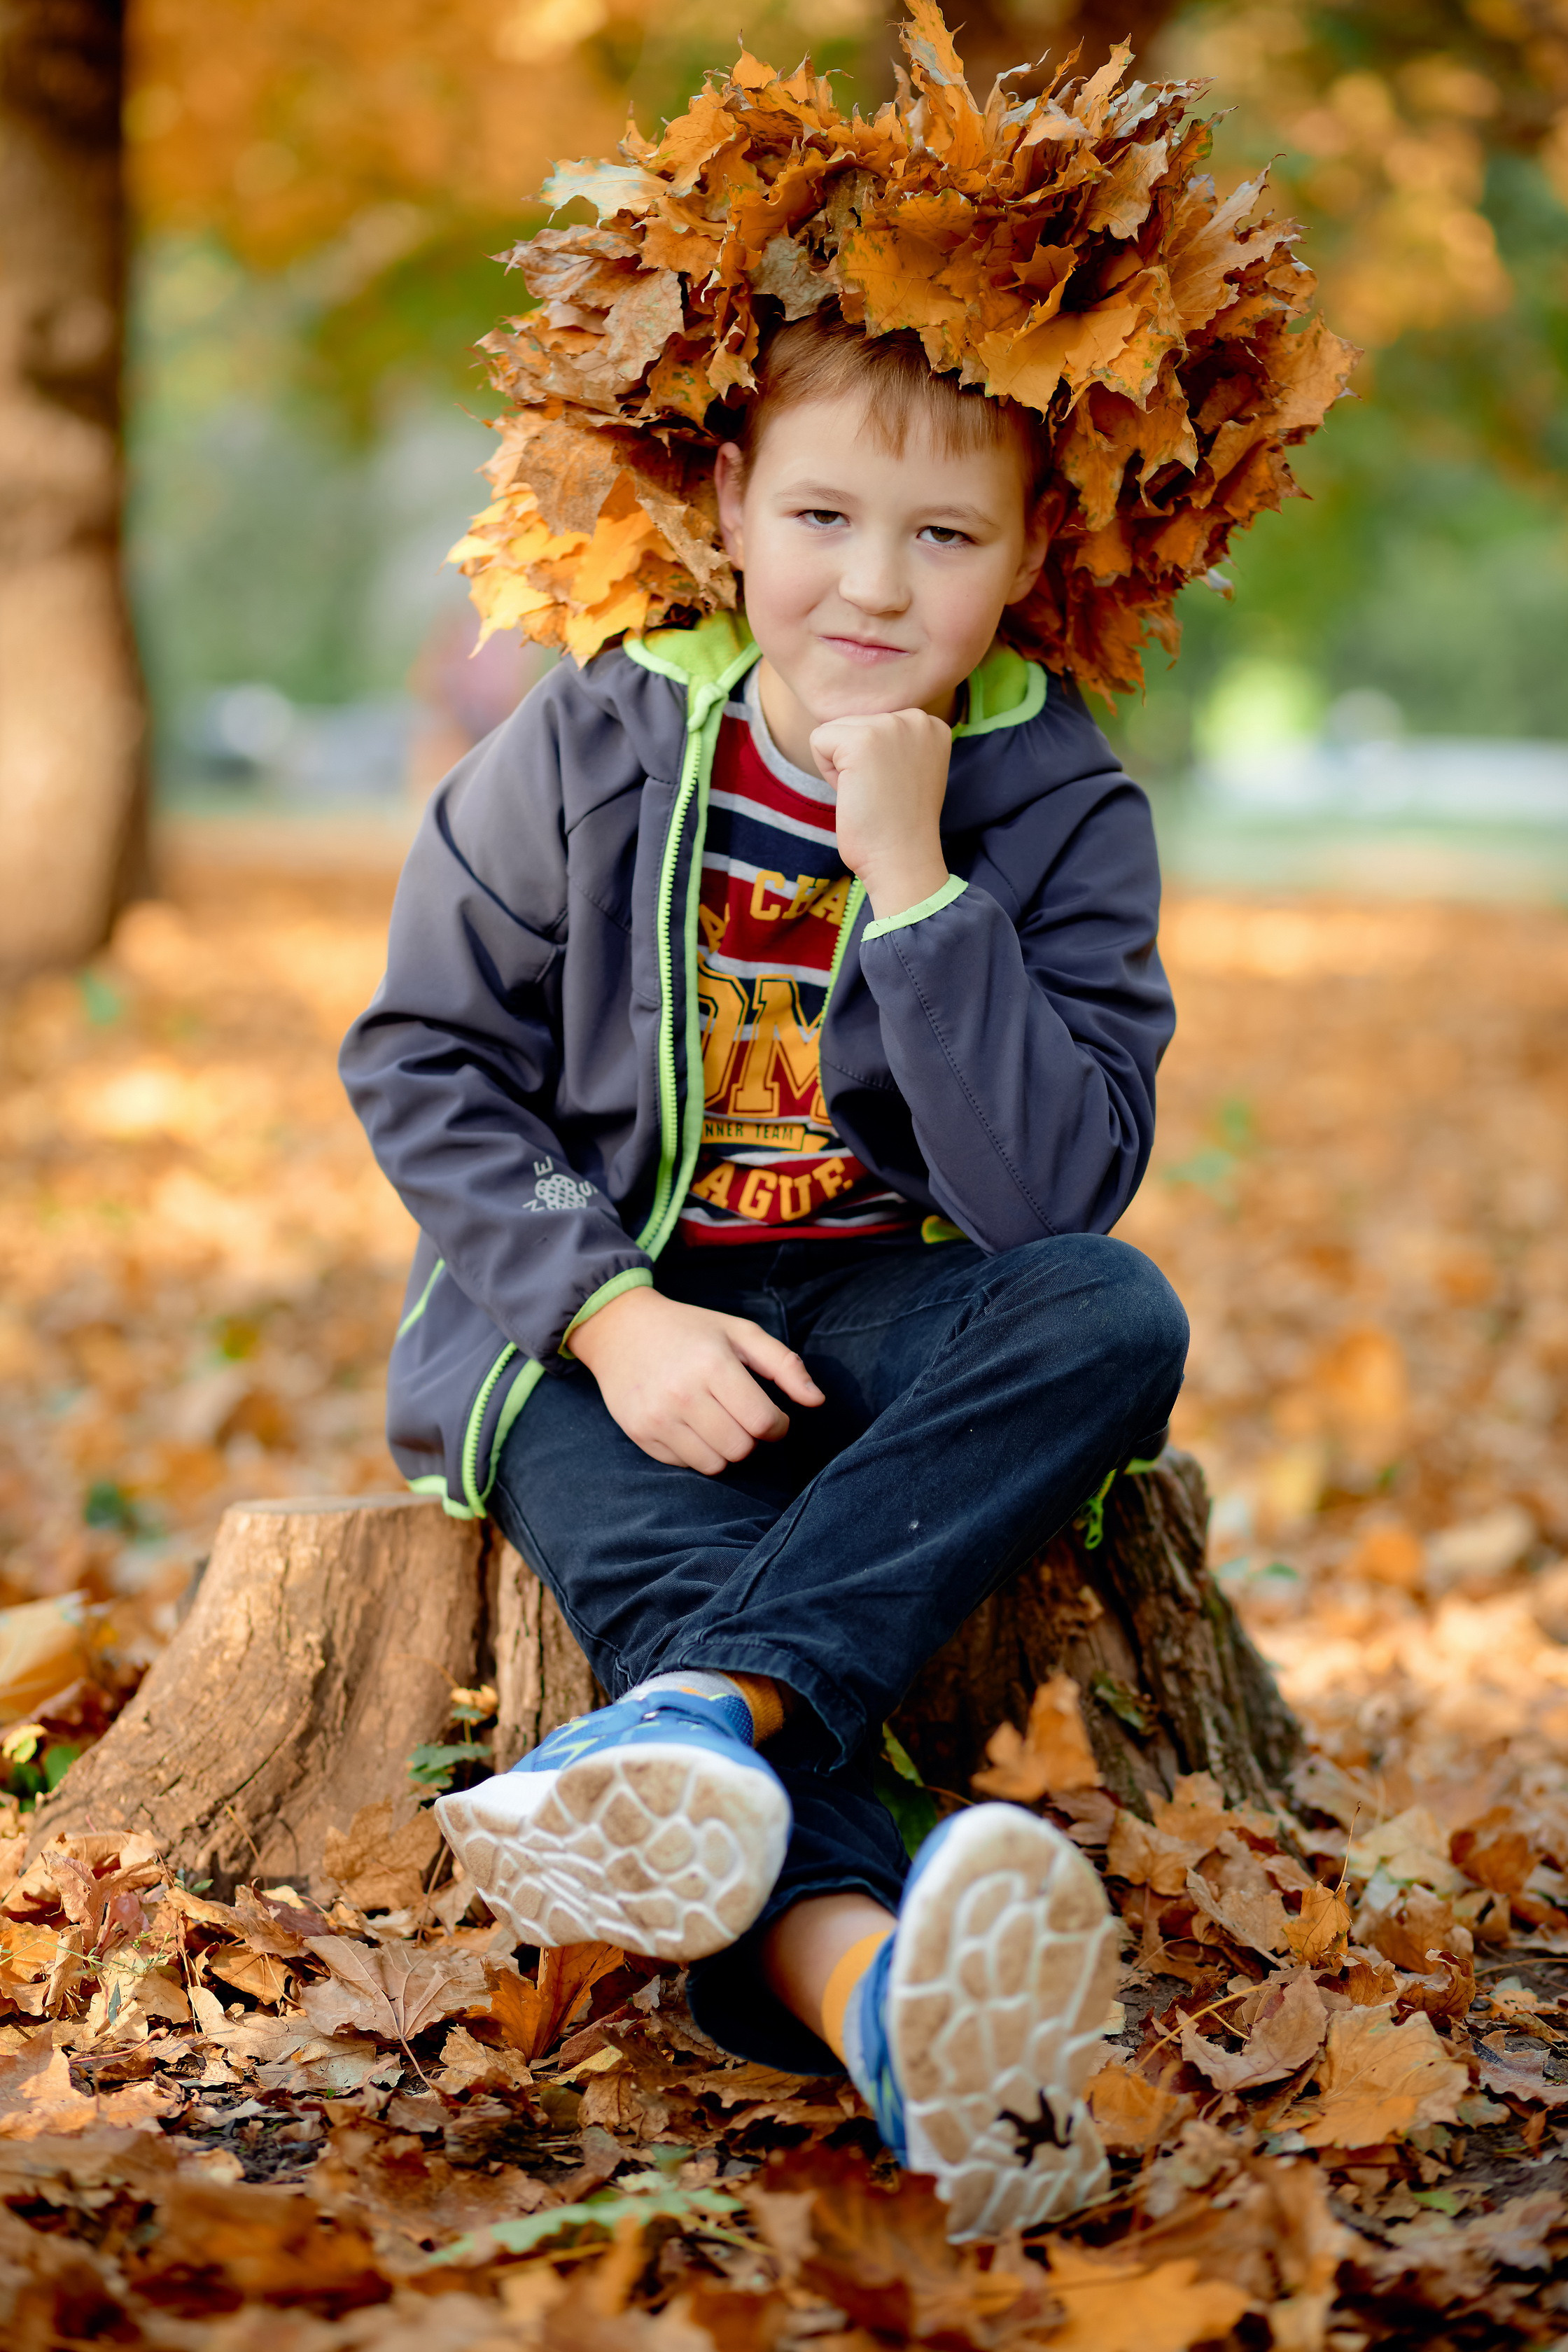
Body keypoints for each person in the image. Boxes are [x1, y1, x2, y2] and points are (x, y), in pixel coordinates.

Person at [342, 303, 1186, 2238]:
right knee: (664, 1565)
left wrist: (920, 887)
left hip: (882, 1312)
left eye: (945, 537)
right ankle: (880, 1998)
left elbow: (1061, 1197)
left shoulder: (1056, 806)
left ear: (1033, 552)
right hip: (594, 1326)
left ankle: (704, 1710)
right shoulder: (593, 739)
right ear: (729, 505)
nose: (872, 583)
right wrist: (612, 1317)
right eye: (821, 514)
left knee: (1113, 1320)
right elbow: (423, 1057)